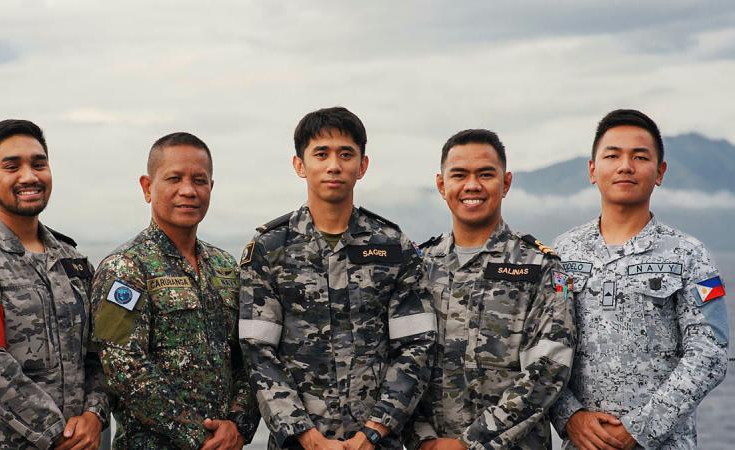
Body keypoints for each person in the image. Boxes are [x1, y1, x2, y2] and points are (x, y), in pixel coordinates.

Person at [238, 106, 436, 450]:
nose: (334, 165)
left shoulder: (392, 246)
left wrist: (374, 431)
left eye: (346, 154)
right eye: (321, 154)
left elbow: (415, 346)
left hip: (378, 442)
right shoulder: (270, 248)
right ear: (300, 165)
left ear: (362, 165)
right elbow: (258, 352)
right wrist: (306, 436)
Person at [549, 109, 729, 449]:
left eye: (640, 156)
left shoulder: (689, 254)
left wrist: (638, 429)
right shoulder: (563, 253)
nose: (625, 166)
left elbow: (710, 353)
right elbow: (546, 346)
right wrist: (569, 417)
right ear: (593, 170)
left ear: (660, 172)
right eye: (613, 155)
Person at [0, 119, 109, 449]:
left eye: (38, 164)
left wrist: (94, 416)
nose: (29, 176)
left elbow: (98, 353)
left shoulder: (74, 261)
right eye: (12, 166)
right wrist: (57, 434)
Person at [404, 129, 576, 450]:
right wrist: (423, 439)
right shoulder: (418, 267)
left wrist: (469, 444)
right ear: (442, 185)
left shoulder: (540, 267)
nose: (472, 185)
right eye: (459, 175)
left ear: (506, 183)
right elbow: (402, 361)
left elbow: (548, 370)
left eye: (485, 174)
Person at [90, 132, 260, 449]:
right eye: (174, 179)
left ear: (211, 187)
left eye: (199, 180)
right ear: (147, 187)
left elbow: (247, 357)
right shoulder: (124, 268)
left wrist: (237, 426)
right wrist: (198, 437)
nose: (188, 191)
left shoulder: (225, 267)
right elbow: (121, 366)